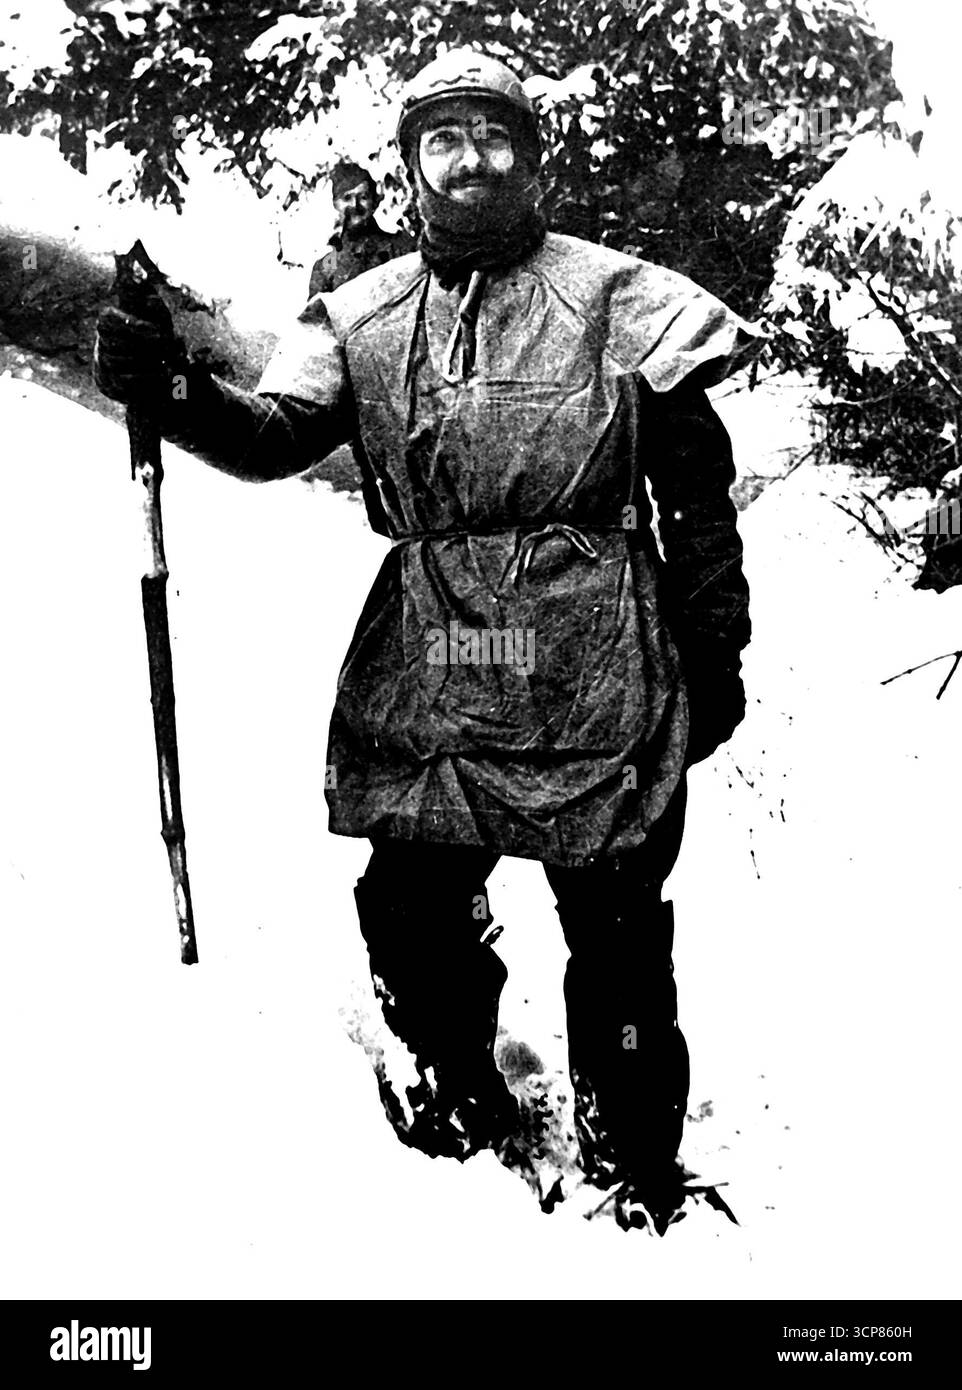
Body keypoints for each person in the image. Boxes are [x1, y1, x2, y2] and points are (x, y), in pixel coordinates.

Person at [93, 48, 753, 1235]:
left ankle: (632, 1155)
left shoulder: (618, 298)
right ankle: (456, 1091)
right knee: (407, 898)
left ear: (531, 155)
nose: (469, 159)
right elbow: (272, 432)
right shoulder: (360, 314)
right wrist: (175, 392)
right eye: (440, 138)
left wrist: (715, 649)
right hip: (443, 649)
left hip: (589, 648)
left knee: (611, 915)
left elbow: (695, 490)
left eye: (492, 135)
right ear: (407, 166)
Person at [307, 160, 414, 297]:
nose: (355, 205)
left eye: (363, 197)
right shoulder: (325, 267)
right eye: (346, 198)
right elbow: (316, 317)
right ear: (335, 204)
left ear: (374, 202)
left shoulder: (401, 248)